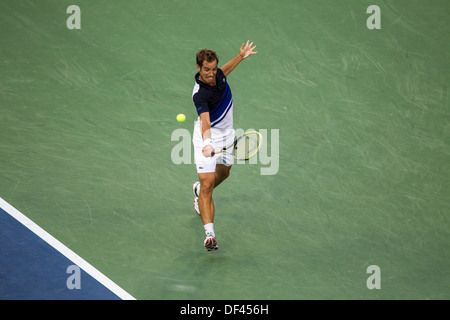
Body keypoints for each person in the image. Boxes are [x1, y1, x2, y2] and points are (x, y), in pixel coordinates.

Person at [191, 40, 258, 251]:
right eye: (206, 70)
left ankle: (198, 191)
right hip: (206, 139)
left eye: (213, 69)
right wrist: (208, 143)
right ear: (198, 68)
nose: (211, 74)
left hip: (228, 136)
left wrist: (240, 57)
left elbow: (224, 71)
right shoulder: (199, 94)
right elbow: (205, 121)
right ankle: (209, 235)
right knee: (208, 184)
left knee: (224, 173)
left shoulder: (218, 74)